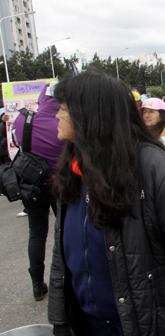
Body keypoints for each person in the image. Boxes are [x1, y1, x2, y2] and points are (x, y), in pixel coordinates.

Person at [48, 71, 165, 336]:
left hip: (143, 325)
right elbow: (62, 254)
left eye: (63, 108)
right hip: (87, 326)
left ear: (90, 114)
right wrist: (60, 320)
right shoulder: (72, 169)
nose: (56, 115)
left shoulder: (156, 169)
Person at [12, 84, 63, 301]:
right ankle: (64, 281)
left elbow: (15, 141)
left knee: (37, 232)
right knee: (64, 232)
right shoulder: (64, 122)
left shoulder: (24, 119)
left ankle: (37, 284)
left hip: (31, 184)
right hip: (61, 185)